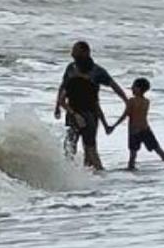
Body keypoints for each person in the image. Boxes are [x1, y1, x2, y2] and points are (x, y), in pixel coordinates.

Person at [54, 40, 126, 171]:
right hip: (73, 112)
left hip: (89, 114)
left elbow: (113, 85)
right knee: (70, 147)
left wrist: (126, 101)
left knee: (89, 149)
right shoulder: (71, 68)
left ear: (85, 52)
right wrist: (57, 107)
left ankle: (97, 178)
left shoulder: (96, 71)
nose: (72, 54)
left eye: (75, 51)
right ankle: (73, 177)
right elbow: (62, 88)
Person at [117, 77, 164, 171]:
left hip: (134, 131)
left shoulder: (132, 101)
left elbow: (125, 115)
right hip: (145, 129)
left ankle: (130, 170)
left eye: (134, 86)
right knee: (158, 149)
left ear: (139, 89)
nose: (131, 88)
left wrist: (113, 126)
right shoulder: (146, 102)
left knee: (133, 155)